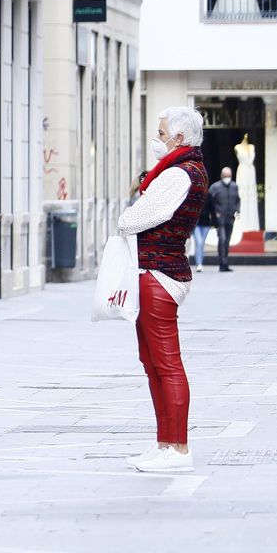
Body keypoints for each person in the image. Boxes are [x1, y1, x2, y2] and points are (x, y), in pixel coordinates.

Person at [118, 107, 209, 474]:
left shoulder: (178, 175)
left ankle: (178, 448)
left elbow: (132, 219)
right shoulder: (184, 170)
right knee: (153, 363)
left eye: (161, 133)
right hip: (157, 271)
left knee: (166, 363)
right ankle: (165, 444)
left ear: (180, 139)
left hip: (160, 274)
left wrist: (130, 213)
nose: (157, 140)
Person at [207, 166, 240, 273]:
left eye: (229, 176)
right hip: (220, 218)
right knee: (222, 239)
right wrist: (213, 214)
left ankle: (225, 263)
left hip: (230, 217)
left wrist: (237, 210)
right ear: (222, 176)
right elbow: (208, 201)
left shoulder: (234, 186)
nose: (227, 177)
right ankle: (222, 263)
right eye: (225, 176)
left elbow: (238, 200)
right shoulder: (215, 187)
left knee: (227, 241)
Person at [190, 191, 214, 274]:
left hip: (206, 223)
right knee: (199, 243)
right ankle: (199, 263)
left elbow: (212, 208)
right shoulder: (193, 194)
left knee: (201, 243)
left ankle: (200, 262)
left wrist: (215, 221)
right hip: (196, 223)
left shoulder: (209, 195)